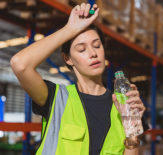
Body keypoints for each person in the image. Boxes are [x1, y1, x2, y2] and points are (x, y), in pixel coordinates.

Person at [10, 3, 148, 155]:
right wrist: (70, 29)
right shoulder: (55, 98)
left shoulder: (122, 104)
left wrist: (132, 132)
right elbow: (20, 64)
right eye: (81, 49)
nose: (93, 53)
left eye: (97, 46)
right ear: (68, 59)